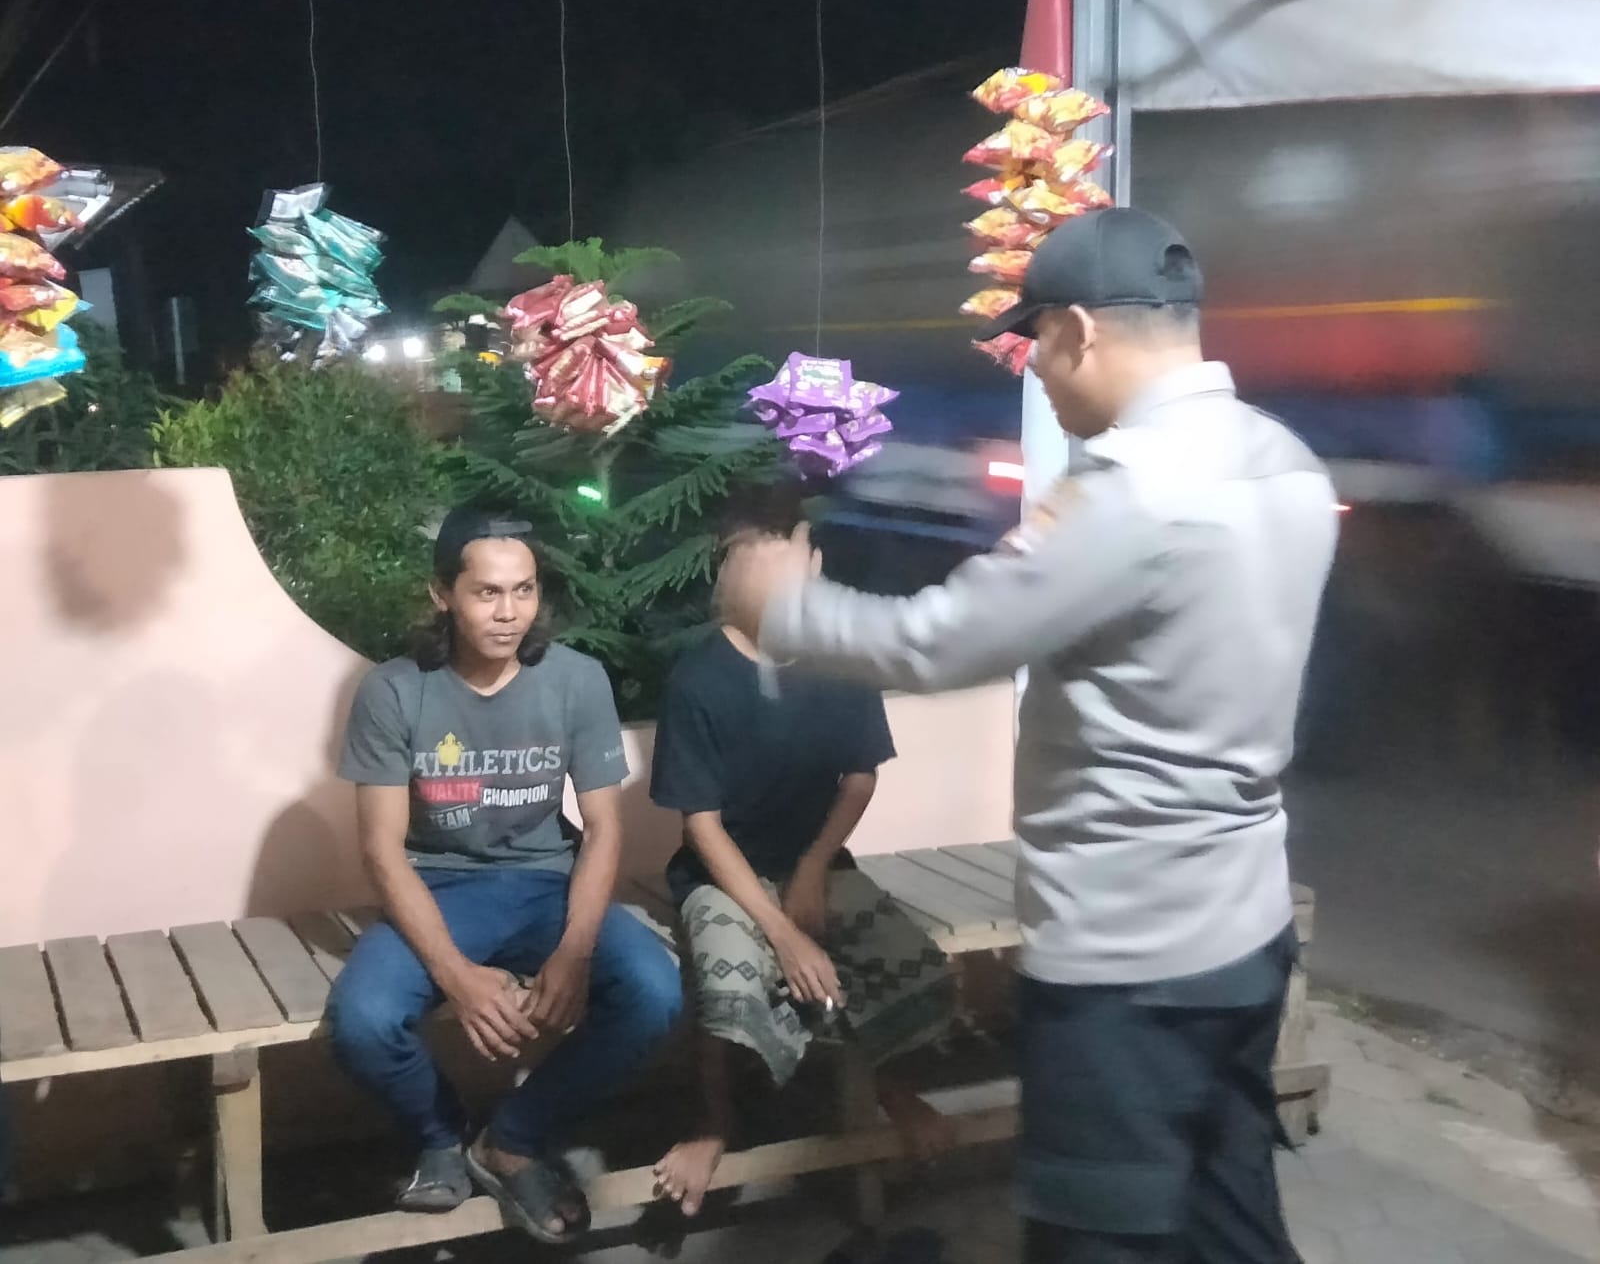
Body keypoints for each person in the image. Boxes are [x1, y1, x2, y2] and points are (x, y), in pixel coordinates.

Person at [719, 208, 1338, 1264]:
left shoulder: (1133, 492)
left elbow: (939, 640)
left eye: (1036, 341)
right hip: (1243, 931)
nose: (1036, 371)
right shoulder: (1283, 462)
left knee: (1095, 1237)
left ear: (1080, 331)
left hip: (1129, 961)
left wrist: (781, 607)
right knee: (1226, 1217)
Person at [327, 508, 682, 1244]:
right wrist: (457, 975)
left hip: (548, 885)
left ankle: (514, 1138)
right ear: (443, 595)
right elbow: (381, 849)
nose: (509, 612)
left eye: (524, 590)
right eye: (487, 592)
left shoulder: (576, 680)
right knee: (362, 1022)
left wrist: (575, 951)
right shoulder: (395, 691)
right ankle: (441, 1134)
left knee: (655, 991)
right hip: (439, 889)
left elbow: (604, 827)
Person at [650, 486, 957, 1219]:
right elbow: (702, 826)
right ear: (732, 572)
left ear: (814, 563)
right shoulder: (699, 677)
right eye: (759, 560)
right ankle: (714, 1122)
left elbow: (860, 776)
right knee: (726, 973)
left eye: (792, 557)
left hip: (814, 861)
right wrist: (781, 932)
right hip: (723, 873)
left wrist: (814, 869)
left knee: (901, 954)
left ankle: (891, 1091)